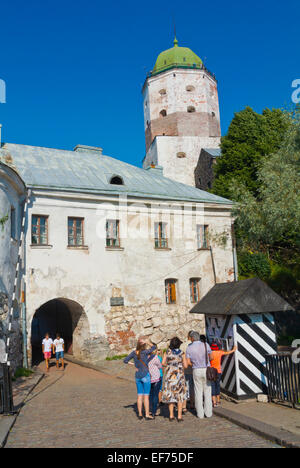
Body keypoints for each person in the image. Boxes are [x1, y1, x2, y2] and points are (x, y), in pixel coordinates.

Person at [123, 338, 156, 420]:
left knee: (139, 396)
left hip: (137, 376)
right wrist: (148, 342)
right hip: (145, 375)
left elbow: (125, 360)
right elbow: (154, 347)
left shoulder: (134, 353)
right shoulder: (145, 352)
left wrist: (133, 364)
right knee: (146, 396)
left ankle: (140, 414)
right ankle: (147, 414)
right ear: (144, 345)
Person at [186, 332, 213, 419]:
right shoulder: (206, 345)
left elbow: (188, 362)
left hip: (196, 369)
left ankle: (200, 414)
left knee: (198, 392)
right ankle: (208, 413)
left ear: (192, 338)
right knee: (207, 391)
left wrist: (195, 364)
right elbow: (211, 357)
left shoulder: (189, 347)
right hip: (206, 369)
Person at [162, 337, 188, 422]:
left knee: (171, 395)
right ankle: (179, 416)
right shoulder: (182, 353)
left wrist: (169, 366)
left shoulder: (167, 352)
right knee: (179, 396)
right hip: (179, 376)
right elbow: (186, 365)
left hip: (170, 376)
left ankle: (171, 415)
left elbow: (163, 363)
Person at [210, 342, 237, 407]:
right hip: (218, 371)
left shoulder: (209, 353)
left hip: (211, 371)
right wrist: (233, 349)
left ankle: (214, 402)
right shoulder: (219, 352)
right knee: (217, 385)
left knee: (212, 386)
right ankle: (218, 401)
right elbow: (227, 353)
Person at [148, 349, 163, 417]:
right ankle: (154, 411)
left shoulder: (145, 358)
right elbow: (160, 366)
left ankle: (150, 410)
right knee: (155, 395)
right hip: (156, 378)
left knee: (150, 395)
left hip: (149, 378)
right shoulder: (155, 357)